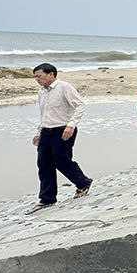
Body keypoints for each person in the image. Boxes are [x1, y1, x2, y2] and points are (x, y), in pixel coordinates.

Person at [25, 63, 93, 214]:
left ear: (51, 74)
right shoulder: (41, 93)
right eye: (35, 76)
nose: (37, 79)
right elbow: (44, 114)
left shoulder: (65, 87)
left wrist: (71, 125)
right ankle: (47, 199)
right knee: (43, 164)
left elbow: (80, 105)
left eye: (39, 76)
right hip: (46, 131)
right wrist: (39, 132)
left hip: (63, 130)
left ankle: (83, 183)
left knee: (61, 161)